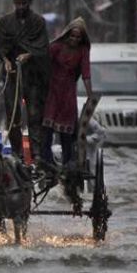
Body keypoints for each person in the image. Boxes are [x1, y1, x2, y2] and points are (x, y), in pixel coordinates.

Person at [0, 0, 51, 162]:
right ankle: (17, 151)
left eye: (23, 3)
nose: (20, 7)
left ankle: (36, 152)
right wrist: (6, 60)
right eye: (17, 3)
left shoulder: (39, 22)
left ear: (29, 3)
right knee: (12, 113)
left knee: (35, 114)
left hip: (33, 75)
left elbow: (43, 47)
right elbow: (0, 48)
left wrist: (29, 55)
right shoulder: (5, 22)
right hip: (12, 75)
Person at [41, 17, 93, 166]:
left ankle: (68, 163)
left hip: (68, 92)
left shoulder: (83, 50)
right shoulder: (56, 47)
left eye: (78, 37)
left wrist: (90, 95)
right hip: (52, 90)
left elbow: (86, 73)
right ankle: (47, 161)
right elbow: (44, 64)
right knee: (47, 130)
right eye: (72, 36)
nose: (74, 39)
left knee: (66, 132)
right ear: (67, 34)